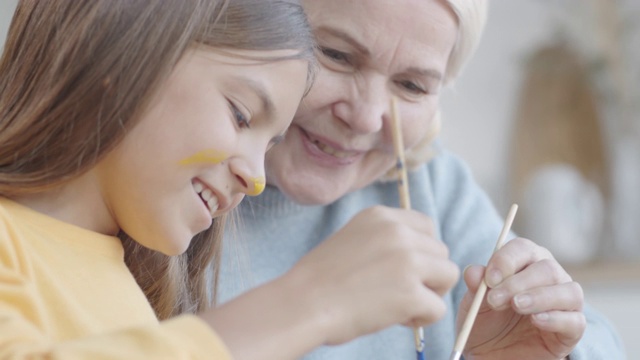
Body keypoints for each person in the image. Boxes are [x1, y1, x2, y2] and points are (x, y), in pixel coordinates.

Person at [0, 1, 458, 359]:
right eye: (241, 116)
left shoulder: (140, 291)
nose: (256, 178)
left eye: (270, 145)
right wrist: (308, 301)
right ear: (115, 56)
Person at [217, 0, 627, 359]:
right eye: (337, 55)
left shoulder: (430, 185)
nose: (364, 117)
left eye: (412, 85)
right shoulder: (177, 183)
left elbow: (599, 340)